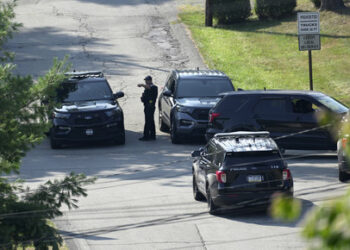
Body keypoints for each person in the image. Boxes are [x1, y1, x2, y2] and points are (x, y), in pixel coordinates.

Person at [137, 75, 158, 141]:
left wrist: (142, 85)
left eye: (147, 80)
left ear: (150, 80)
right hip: (147, 106)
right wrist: (143, 98)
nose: (146, 82)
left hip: (150, 107)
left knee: (148, 121)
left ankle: (146, 136)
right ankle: (152, 135)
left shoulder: (154, 87)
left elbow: (149, 88)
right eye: (145, 80)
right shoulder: (147, 88)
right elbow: (146, 95)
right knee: (151, 121)